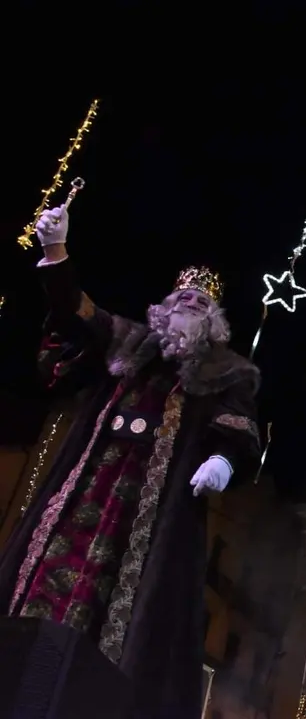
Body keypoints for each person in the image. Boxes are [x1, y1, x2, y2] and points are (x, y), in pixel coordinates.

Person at [0, 206, 261, 718]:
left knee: (129, 610)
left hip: (155, 507)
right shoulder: (130, 339)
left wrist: (222, 461)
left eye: (200, 301)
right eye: (182, 296)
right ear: (166, 305)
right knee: (46, 578)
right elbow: (78, 311)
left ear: (214, 321)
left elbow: (241, 425)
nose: (188, 303)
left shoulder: (231, 371)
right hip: (89, 482)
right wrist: (57, 252)